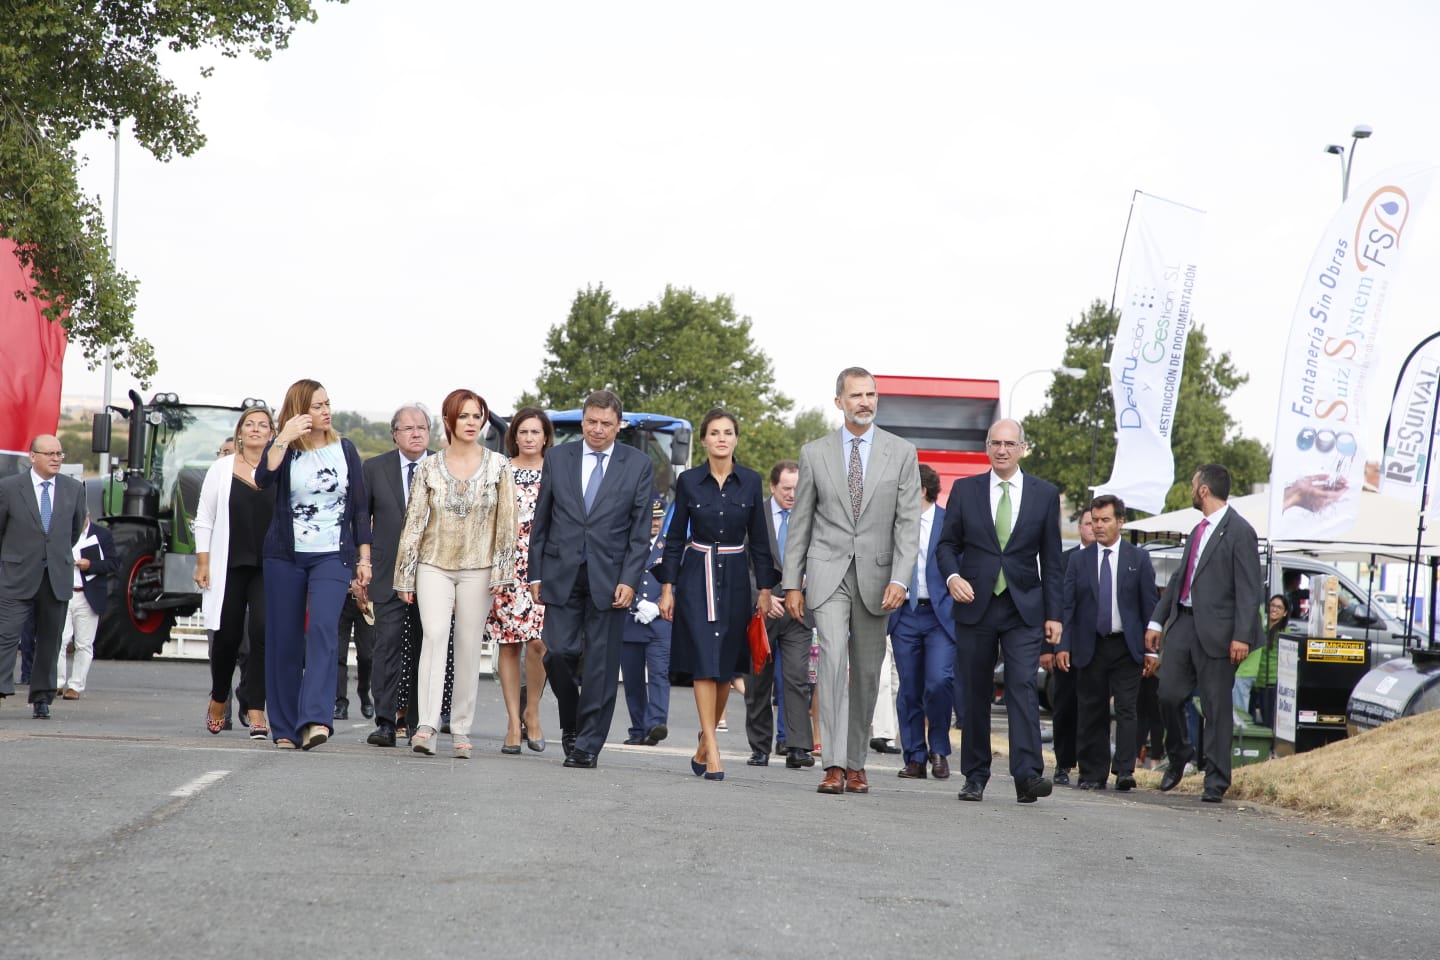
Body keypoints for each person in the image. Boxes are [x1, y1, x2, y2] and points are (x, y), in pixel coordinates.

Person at [783, 368, 921, 796]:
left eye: (871, 394)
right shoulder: (814, 453)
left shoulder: (901, 453)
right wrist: (792, 583)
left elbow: (908, 523)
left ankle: (857, 763)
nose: (865, 401)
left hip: (878, 577)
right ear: (838, 401)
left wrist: (901, 576)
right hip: (827, 573)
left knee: (865, 671)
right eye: (856, 395)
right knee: (831, 661)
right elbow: (800, 522)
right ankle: (833, 764)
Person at [937, 418, 1062, 805]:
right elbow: (945, 546)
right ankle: (975, 775)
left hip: (1023, 606)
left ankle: (1027, 775)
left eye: (1010, 443)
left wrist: (1054, 615)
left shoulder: (1044, 494)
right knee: (974, 691)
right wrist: (952, 577)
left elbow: (1053, 559)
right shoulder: (965, 490)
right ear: (987, 447)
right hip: (975, 603)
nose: (1003, 449)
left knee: (1022, 686)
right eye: (996, 443)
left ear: (1023, 447)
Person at [528, 390, 654, 770]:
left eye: (606, 424)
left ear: (619, 426)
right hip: (561, 571)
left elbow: (640, 529)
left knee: (600, 663)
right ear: (582, 421)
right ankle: (573, 721)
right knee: (559, 652)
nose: (597, 430)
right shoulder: (558, 457)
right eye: (591, 422)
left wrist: (631, 579)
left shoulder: (638, 465)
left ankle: (587, 746)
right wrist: (535, 572)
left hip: (611, 577)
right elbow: (542, 519)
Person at [395, 389, 516, 759]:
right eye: (464, 416)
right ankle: (426, 725)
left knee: (466, 646)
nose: (471, 423)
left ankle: (461, 728)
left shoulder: (499, 465)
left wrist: (502, 572)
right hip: (433, 564)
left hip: (479, 568)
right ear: (449, 420)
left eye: (477, 416)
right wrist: (404, 575)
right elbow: (414, 521)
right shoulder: (430, 466)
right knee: (433, 636)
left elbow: (506, 523)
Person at [658, 409, 775, 782]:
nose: (721, 438)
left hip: (737, 578)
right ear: (705, 441)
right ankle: (714, 749)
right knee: (704, 661)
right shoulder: (690, 481)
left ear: (736, 439)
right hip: (696, 576)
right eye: (714, 433)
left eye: (728, 432)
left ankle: (702, 741)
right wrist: (667, 588)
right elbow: (675, 537)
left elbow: (759, 541)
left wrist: (766, 591)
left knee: (726, 665)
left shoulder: (752, 481)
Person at [256, 380, 373, 751]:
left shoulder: (346, 449)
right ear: (299, 411)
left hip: (332, 555)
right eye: (318, 406)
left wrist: (364, 558)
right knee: (284, 641)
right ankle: (286, 728)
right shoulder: (286, 449)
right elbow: (262, 479)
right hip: (284, 555)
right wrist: (281, 438)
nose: (327, 411)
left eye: (328, 403)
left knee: (323, 629)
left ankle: (317, 718)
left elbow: (359, 508)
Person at [1146, 463, 1263, 803]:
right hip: (1183, 624)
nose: (1190, 489)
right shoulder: (1198, 530)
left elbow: (1249, 588)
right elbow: (1180, 580)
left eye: (1193, 484)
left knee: (1215, 707)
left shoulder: (1240, 530)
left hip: (1220, 634)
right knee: (1167, 694)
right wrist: (1157, 621)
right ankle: (1180, 751)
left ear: (1203, 490)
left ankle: (1216, 779)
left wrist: (1241, 634)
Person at [1057, 494, 1158, 791]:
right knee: (1091, 708)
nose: (1099, 526)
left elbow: (1149, 605)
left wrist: (1151, 649)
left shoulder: (1137, 559)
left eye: (1105, 520)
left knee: (1127, 708)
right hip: (1090, 645)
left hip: (1126, 646)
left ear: (1120, 522)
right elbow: (1068, 606)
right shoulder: (1078, 559)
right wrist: (1062, 645)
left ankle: (1125, 770)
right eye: (1095, 520)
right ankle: (1092, 772)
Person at [195, 405, 276, 737]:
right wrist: (202, 562)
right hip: (228, 564)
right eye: (249, 424)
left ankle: (256, 708)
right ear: (240, 433)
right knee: (226, 637)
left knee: (262, 632)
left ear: (272, 433)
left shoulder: (279, 468)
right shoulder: (222, 468)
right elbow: (204, 517)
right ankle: (218, 697)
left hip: (268, 566)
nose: (256, 429)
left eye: (263, 425)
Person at [0, 436, 87, 719]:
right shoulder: (10, 488)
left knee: (51, 640)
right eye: (49, 453)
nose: (56, 458)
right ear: (32, 456)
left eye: (60, 453)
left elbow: (73, 532)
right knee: (7, 636)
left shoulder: (74, 489)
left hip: (56, 576)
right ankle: (2, 688)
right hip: (16, 575)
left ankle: (42, 697)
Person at [362, 404, 432, 747]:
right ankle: (386, 721)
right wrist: (360, 565)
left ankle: (420, 722)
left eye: (421, 427)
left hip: (433, 572)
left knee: (426, 648)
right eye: (408, 428)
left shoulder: (442, 466)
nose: (416, 433)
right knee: (386, 646)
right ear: (395, 433)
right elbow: (361, 520)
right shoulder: (374, 468)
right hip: (387, 571)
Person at [486, 407, 552, 754]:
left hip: (542, 567)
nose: (529, 438)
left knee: (539, 644)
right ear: (515, 436)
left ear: (545, 436)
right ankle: (513, 722)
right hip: (505, 566)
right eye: (523, 432)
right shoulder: (500, 470)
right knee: (508, 645)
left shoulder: (557, 470)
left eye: (535, 432)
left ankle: (533, 712)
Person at [743, 460, 817, 769]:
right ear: (773, 487)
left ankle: (798, 746)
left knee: (797, 678)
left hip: (799, 612)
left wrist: (809, 580)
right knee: (758, 681)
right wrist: (761, 596)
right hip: (762, 610)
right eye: (786, 488)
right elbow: (742, 563)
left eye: (797, 489)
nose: (792, 495)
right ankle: (760, 747)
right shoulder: (754, 515)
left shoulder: (814, 517)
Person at [889, 464, 956, 780]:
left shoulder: (949, 522)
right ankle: (914, 756)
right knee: (909, 688)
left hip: (940, 615)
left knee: (939, 681)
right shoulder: (894, 523)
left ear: (921, 490)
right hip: (904, 614)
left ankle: (939, 748)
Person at [1046, 506, 1094, 785]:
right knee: (1065, 705)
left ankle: (1091, 765)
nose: (1093, 528)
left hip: (1098, 645)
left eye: (1098, 522)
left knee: (1094, 707)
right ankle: (1063, 763)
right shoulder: (1064, 561)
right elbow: (1054, 604)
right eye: (1088, 523)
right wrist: (1050, 647)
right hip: (1067, 646)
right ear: (1080, 527)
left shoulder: (1110, 560)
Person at [622, 496, 671, 747]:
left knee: (659, 674)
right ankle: (638, 728)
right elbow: (614, 575)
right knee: (632, 679)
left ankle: (656, 724)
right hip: (631, 618)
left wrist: (656, 603)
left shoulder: (670, 547)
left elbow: (680, 581)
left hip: (660, 619)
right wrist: (636, 603)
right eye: (650, 517)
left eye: (658, 517)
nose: (654, 522)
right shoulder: (627, 544)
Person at [55, 513, 119, 699]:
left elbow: (113, 563)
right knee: (59, 639)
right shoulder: (63, 532)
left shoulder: (102, 534)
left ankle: (75, 686)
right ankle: (56, 682)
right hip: (64, 593)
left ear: (88, 516)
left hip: (87, 594)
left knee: (84, 643)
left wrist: (90, 565)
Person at [1233, 594, 1287, 728]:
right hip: (1257, 679)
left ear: (1285, 613)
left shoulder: (1284, 632)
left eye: (1279, 607)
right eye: (1273, 605)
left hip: (1270, 681)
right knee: (1250, 716)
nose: (1274, 609)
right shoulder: (1262, 626)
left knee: (1268, 720)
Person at [334, 594, 373, 719]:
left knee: (366, 656)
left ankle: (363, 691)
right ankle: (341, 702)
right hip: (342, 597)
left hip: (366, 598)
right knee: (339, 654)